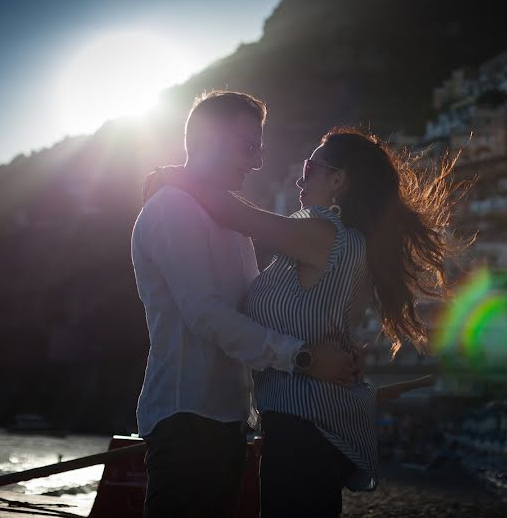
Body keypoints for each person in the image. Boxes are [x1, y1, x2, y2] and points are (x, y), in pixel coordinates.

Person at [147, 126, 464, 517]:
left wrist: (173, 177)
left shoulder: (324, 236)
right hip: (303, 427)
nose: (301, 176)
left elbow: (232, 212)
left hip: (303, 430)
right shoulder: (342, 243)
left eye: (310, 167)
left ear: (337, 179)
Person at [131, 91, 359, 518]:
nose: (256, 162)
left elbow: (256, 309)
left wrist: (331, 349)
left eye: (259, 148)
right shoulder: (171, 208)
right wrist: (305, 357)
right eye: (249, 146)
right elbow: (204, 313)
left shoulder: (229, 221)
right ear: (210, 138)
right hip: (186, 419)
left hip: (229, 423)